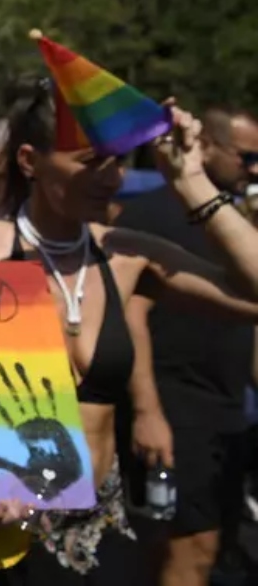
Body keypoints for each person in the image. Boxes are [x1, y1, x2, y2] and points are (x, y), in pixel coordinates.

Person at [0, 75, 258, 585]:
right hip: (1, 541)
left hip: (101, 539)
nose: (110, 178)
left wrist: (190, 180)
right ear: (29, 162)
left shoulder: (127, 255)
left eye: (116, 161)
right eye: (92, 162)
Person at [114, 106, 258, 586]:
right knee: (186, 552)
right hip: (179, 411)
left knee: (212, 546)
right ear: (208, 147)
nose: (255, 168)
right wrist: (148, 410)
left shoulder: (233, 220)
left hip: (227, 409)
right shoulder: (153, 214)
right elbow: (131, 311)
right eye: (246, 156)